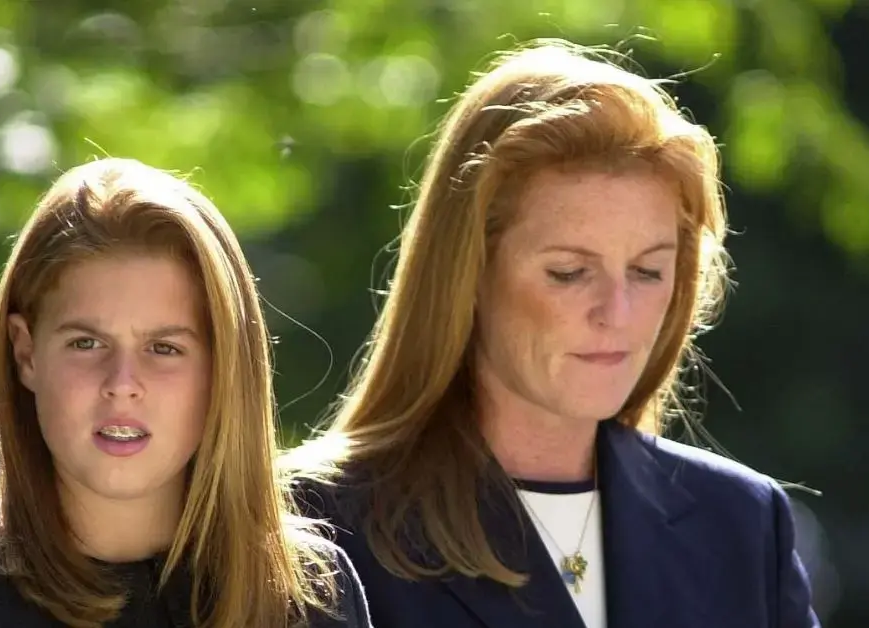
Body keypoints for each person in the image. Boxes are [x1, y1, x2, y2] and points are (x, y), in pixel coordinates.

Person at [282, 39, 820, 628]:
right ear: (469, 274)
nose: (617, 311)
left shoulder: (741, 522)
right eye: (569, 272)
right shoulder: (313, 525)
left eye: (647, 271)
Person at [0, 158, 372, 628]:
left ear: (223, 370)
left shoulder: (312, 595)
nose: (122, 384)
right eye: (86, 342)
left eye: (164, 348)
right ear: (26, 353)